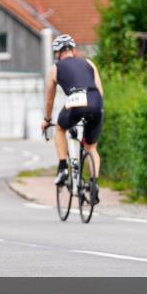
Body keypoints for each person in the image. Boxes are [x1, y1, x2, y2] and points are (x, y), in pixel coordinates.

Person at [41, 34, 104, 204]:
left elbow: (49, 99)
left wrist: (47, 119)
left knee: (60, 128)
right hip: (96, 103)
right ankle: (94, 184)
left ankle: (63, 168)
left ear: (57, 53)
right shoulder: (89, 63)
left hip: (76, 103)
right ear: (74, 50)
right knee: (91, 147)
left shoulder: (56, 67)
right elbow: (100, 91)